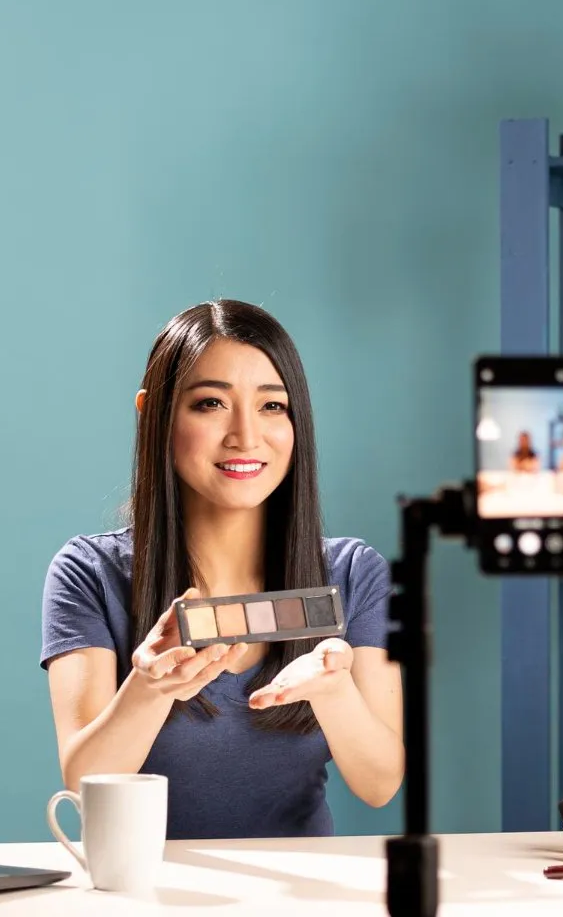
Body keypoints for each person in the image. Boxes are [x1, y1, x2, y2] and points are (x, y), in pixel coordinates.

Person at [39, 299, 404, 840]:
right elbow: (83, 784)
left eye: (272, 406)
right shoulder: (90, 573)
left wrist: (334, 692)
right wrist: (148, 688)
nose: (245, 436)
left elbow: (380, 784)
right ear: (154, 413)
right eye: (210, 403)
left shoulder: (354, 573)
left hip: (304, 883)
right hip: (148, 882)